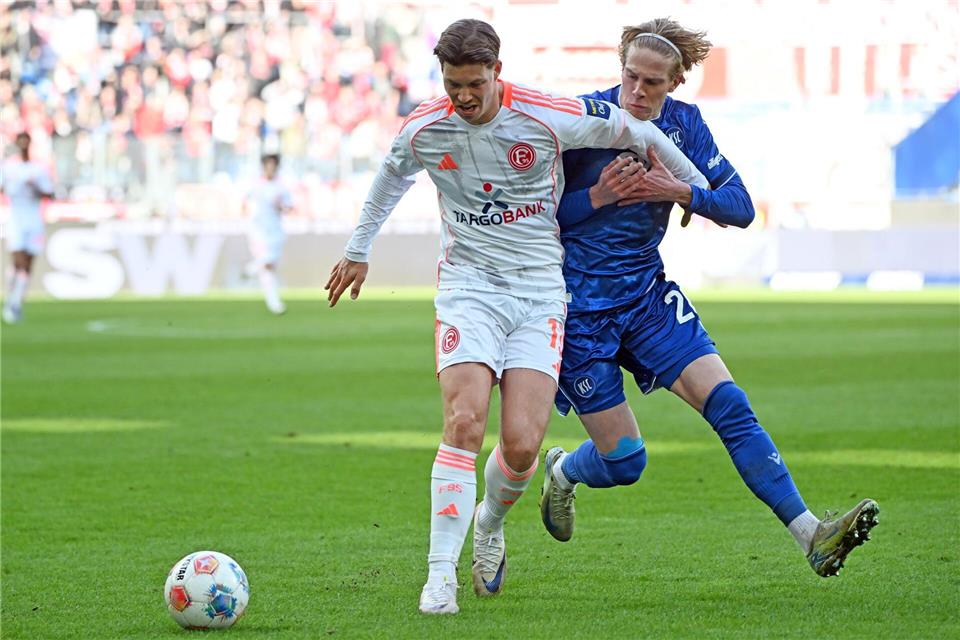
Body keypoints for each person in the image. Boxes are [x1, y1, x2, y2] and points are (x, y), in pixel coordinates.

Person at [325, 19, 708, 615]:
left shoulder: (545, 114)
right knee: (463, 420)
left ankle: (490, 523)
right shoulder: (428, 126)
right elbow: (390, 176)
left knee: (523, 445)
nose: (464, 97)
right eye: (454, 84)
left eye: (475, 83)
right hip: (468, 289)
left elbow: (634, 127)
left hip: (538, 295)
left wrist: (693, 184)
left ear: (497, 73)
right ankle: (439, 579)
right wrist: (357, 249)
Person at [538, 18, 879, 578]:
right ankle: (567, 472)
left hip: (646, 298)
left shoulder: (684, 126)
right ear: (618, 68)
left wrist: (677, 189)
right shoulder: (582, 121)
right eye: (631, 78)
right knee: (625, 462)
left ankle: (811, 534)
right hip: (580, 312)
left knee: (730, 404)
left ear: (674, 84)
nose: (639, 92)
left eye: (653, 83)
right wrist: (598, 195)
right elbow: (542, 220)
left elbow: (740, 206)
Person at [2, 132, 54, 324]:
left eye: (26, 141)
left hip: (34, 219)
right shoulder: (8, 167)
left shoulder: (38, 169)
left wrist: (36, 189)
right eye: (20, 142)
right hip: (16, 218)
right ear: (17, 144)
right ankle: (12, 304)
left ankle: (14, 302)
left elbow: (50, 192)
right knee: (19, 262)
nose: (23, 145)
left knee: (27, 266)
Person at [245, 154, 293, 315]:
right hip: (259, 231)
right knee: (268, 267)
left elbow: (289, 207)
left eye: (273, 166)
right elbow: (244, 202)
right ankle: (275, 304)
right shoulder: (255, 185)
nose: (270, 169)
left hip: (276, 230)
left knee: (269, 265)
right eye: (268, 166)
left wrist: (281, 207)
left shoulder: (282, 187)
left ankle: (251, 268)